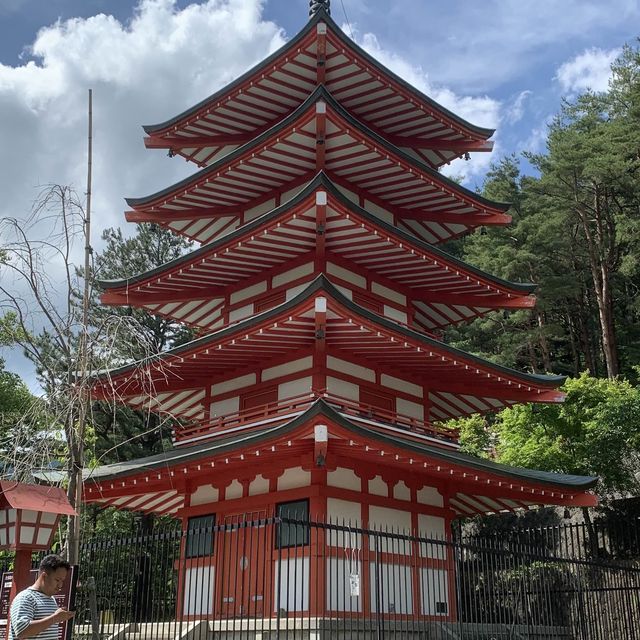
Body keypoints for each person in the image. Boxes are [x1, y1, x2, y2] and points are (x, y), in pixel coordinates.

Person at [9, 555, 75, 640]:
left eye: (62, 580)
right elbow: (21, 631)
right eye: (57, 580)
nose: (60, 585)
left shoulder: (51, 599)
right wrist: (54, 618)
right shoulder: (25, 597)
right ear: (44, 576)